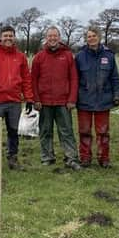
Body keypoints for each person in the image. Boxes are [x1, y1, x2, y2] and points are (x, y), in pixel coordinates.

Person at [0, 25, 34, 170]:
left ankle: (13, 158)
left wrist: (28, 98)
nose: (8, 38)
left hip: (15, 101)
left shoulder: (20, 56)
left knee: (13, 131)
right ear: (0, 38)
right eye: (5, 36)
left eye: (11, 36)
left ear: (14, 37)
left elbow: (26, 79)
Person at [31, 26, 81, 171]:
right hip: (44, 102)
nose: (52, 38)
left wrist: (72, 98)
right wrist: (36, 99)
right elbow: (33, 79)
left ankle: (71, 157)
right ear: (46, 38)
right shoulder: (39, 57)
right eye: (50, 36)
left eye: (55, 36)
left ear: (59, 38)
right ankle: (47, 157)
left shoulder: (67, 56)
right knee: (45, 131)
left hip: (63, 102)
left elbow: (74, 78)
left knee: (66, 131)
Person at [75, 26, 119, 168]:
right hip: (84, 100)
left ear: (99, 37)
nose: (91, 38)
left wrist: (117, 94)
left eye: (94, 35)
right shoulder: (79, 57)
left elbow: (115, 78)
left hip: (103, 100)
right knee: (84, 131)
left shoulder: (109, 56)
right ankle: (85, 158)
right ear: (86, 39)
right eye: (89, 36)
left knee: (103, 132)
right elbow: (74, 79)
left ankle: (104, 158)